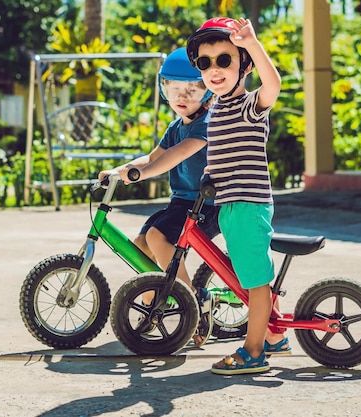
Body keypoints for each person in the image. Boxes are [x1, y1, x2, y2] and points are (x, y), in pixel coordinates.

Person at [186, 17, 290, 375]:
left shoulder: (248, 105)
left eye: (224, 60)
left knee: (254, 281)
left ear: (243, 65)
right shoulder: (216, 109)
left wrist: (253, 45)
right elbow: (220, 154)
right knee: (246, 274)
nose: (214, 70)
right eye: (205, 62)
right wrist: (208, 177)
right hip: (229, 205)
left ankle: (254, 351)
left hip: (248, 204)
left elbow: (273, 84)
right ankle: (276, 336)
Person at [98, 47, 219, 347]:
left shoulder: (206, 124)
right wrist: (120, 170)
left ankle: (194, 307)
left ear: (206, 91)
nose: (182, 96)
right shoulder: (176, 126)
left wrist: (144, 174)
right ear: (164, 88)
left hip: (206, 205)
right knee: (141, 247)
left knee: (158, 237)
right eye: (174, 89)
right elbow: (153, 157)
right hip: (182, 204)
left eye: (192, 90)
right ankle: (155, 306)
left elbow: (176, 156)